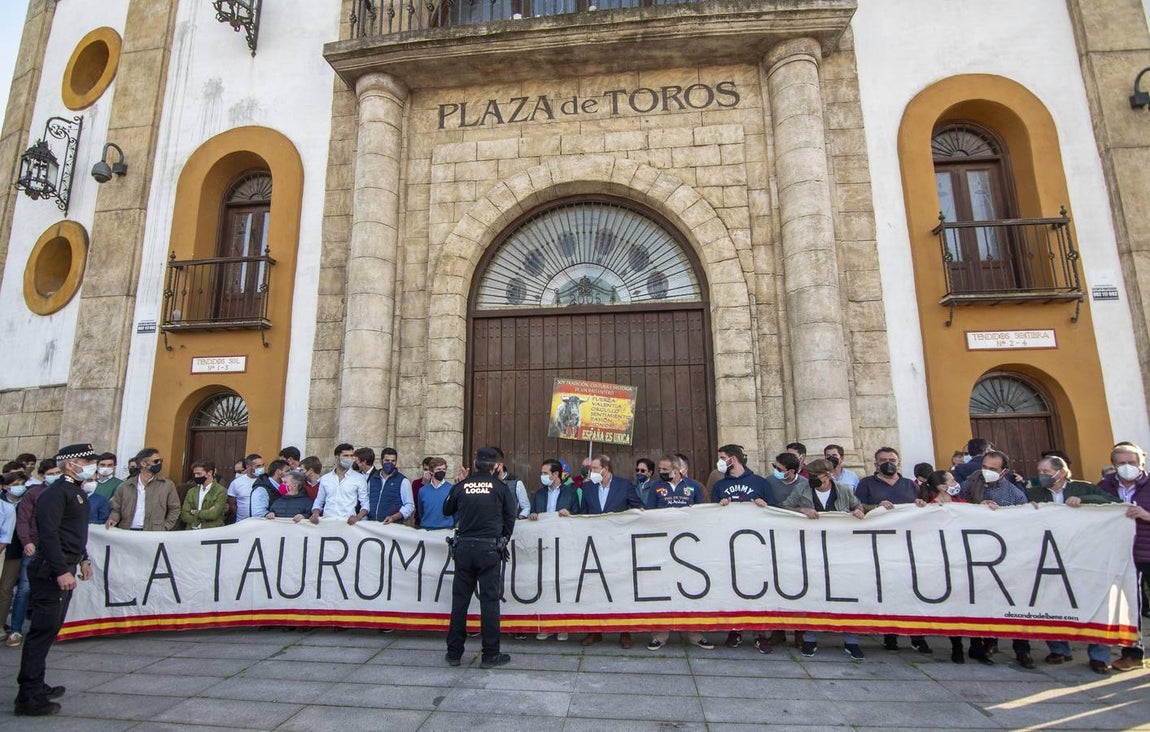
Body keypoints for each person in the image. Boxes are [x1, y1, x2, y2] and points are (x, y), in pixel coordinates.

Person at [14, 443, 95, 716]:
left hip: (65, 564)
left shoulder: (75, 492)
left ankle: (37, 683)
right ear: (70, 465)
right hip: (50, 570)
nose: (91, 466)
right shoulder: (56, 493)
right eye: (87, 461)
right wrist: (61, 570)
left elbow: (73, 533)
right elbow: (49, 534)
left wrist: (83, 559)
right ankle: (28, 696)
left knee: (50, 630)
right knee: (41, 631)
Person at [1026, 455, 1122, 673]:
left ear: (1061, 472)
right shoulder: (1035, 493)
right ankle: (1059, 649)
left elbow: (1113, 504)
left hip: (1084, 554)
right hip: (1050, 554)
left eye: (1046, 472)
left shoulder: (1083, 488)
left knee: (1094, 602)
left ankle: (1099, 655)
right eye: (1040, 472)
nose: (1041, 476)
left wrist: (1084, 500)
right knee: (1052, 601)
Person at [781, 458, 867, 660]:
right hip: (812, 548)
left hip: (840, 548)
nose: (811, 478)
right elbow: (785, 507)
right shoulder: (802, 489)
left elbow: (858, 506)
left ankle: (851, 640)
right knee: (814, 591)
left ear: (827, 476)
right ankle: (810, 638)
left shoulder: (844, 490)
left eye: (815, 475)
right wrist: (802, 510)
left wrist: (858, 511)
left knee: (845, 591)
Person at [443, 447, 517, 669]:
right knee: (490, 602)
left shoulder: (462, 486)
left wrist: (457, 484)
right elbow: (510, 517)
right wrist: (503, 538)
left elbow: (446, 509)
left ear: (475, 464)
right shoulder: (500, 488)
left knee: (460, 601)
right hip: (489, 549)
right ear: (495, 466)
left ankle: (454, 653)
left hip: (464, 549)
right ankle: (490, 654)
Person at [856, 446, 932, 655]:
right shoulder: (866, 484)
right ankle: (890, 635)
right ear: (876, 464)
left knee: (912, 589)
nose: (888, 463)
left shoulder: (910, 485)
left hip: (908, 545)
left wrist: (920, 504)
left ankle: (917, 636)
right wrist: (876, 507)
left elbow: (923, 507)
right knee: (888, 589)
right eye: (883, 460)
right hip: (881, 545)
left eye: (892, 459)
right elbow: (858, 506)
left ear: (898, 463)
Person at [646, 454, 714, 651]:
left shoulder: (694, 487)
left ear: (676, 470)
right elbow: (649, 514)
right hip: (663, 545)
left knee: (693, 589)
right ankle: (659, 634)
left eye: (665, 469)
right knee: (663, 589)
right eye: (660, 469)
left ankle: (695, 633)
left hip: (689, 546)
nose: (661, 472)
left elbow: (703, 512)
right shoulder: (656, 487)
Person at [710, 444, 775, 652]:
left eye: (722, 457)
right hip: (728, 546)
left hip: (756, 547)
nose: (720, 461)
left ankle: (759, 634)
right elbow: (709, 515)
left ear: (734, 459)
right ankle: (735, 630)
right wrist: (719, 507)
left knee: (758, 589)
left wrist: (764, 506)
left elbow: (775, 512)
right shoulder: (719, 486)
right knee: (733, 588)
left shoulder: (760, 483)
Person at [579, 453, 642, 649]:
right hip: (595, 545)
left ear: (605, 469)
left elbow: (638, 508)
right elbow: (583, 514)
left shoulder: (624, 485)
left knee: (621, 588)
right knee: (595, 587)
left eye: (594, 468)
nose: (591, 472)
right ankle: (595, 631)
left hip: (619, 545)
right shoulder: (588, 487)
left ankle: (624, 632)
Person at [1099, 443, 1150, 672]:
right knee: (1130, 606)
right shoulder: (1105, 486)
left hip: (1147, 551)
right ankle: (1132, 654)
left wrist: (1146, 515)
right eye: (1122, 463)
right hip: (1122, 555)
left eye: (1132, 462)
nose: (1127, 467)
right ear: (1114, 465)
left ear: (1142, 463)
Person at [530, 458, 579, 642]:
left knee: (562, 586)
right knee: (545, 586)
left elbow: (579, 515)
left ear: (555, 474)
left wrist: (570, 514)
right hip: (543, 545)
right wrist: (533, 515)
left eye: (545, 473)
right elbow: (533, 512)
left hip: (564, 544)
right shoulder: (539, 494)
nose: (542, 476)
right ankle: (546, 626)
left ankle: (562, 627)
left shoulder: (570, 493)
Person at [105, 449, 181, 531]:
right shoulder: (125, 486)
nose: (159, 463)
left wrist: (165, 527)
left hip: (153, 532)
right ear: (143, 463)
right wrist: (113, 518)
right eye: (156, 461)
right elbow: (116, 509)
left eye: (160, 461)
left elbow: (175, 509)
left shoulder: (167, 485)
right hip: (128, 531)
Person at [0, 472, 30, 648]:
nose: (19, 487)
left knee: (7, 589)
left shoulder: (25, 502)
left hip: (15, 551)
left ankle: (4, 625)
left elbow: (6, 534)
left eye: (21, 483)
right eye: (15, 484)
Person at [310, 443, 369, 524]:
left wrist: (357, 517)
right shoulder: (326, 478)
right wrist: (315, 514)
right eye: (346, 456)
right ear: (337, 457)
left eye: (351, 456)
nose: (349, 458)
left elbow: (365, 503)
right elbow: (319, 501)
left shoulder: (359, 478)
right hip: (327, 522)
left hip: (348, 523)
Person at [369, 447, 415, 525]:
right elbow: (366, 500)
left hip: (392, 525)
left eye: (393, 461)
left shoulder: (403, 481)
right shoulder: (373, 478)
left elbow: (409, 505)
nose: (390, 463)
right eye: (387, 460)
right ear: (381, 461)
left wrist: (393, 517)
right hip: (372, 524)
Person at [179, 460, 228, 529]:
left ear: (209, 473)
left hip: (210, 531)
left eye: (199, 473)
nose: (196, 476)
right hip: (191, 530)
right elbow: (184, 515)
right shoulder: (191, 491)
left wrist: (195, 512)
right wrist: (202, 517)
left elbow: (213, 514)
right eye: (195, 474)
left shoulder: (221, 491)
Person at [492, 447, 531, 520]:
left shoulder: (516, 483)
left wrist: (519, 518)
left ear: (500, 465)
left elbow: (526, 507)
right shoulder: (485, 482)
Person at [417, 458, 453, 530]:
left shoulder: (451, 489)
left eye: (444, 469)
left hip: (446, 528)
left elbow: (455, 512)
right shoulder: (423, 490)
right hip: (427, 529)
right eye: (438, 469)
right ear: (431, 471)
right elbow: (421, 511)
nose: (442, 471)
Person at [227, 454, 264, 522]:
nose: (261, 468)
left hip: (261, 522)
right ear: (248, 466)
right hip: (241, 522)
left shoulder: (265, 481)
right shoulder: (236, 483)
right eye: (258, 466)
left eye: (263, 465)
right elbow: (232, 504)